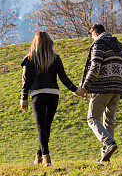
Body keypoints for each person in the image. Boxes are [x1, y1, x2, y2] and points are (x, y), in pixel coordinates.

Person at [20, 31, 80, 167]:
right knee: (46, 127)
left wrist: (24, 98)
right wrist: (76, 90)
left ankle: (46, 157)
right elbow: (64, 78)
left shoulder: (29, 59)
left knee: (41, 127)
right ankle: (39, 155)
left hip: (38, 95)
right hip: (53, 95)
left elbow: (26, 80)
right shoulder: (55, 58)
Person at [77, 24, 122, 163]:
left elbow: (95, 66)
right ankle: (105, 156)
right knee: (109, 121)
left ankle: (108, 143)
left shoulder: (98, 44)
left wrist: (85, 86)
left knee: (92, 118)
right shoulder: (119, 45)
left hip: (102, 87)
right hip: (118, 88)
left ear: (94, 34)